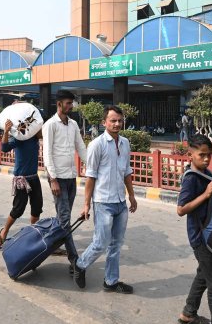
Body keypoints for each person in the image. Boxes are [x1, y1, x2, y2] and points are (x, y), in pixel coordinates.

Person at [73, 105, 138, 294]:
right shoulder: (97, 145)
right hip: (103, 202)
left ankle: (111, 281)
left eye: (119, 120)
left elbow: (126, 171)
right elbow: (90, 176)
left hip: (120, 202)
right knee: (101, 243)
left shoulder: (125, 143)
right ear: (104, 123)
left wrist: (131, 196)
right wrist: (86, 205)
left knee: (116, 244)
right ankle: (80, 264)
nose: (117, 123)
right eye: (113, 120)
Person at [176, 134, 212, 324]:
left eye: (209, 155)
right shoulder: (191, 179)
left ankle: (188, 313)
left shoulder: (207, 174)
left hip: (211, 235)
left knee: (203, 275)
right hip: (200, 237)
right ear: (190, 154)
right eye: (201, 155)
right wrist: (205, 194)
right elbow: (181, 209)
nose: (205, 159)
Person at [41, 89, 87, 270]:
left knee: (62, 218)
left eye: (72, 103)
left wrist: (91, 167)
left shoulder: (73, 124)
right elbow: (47, 154)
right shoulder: (50, 125)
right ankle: (74, 260)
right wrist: (52, 179)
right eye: (68, 103)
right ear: (59, 104)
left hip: (70, 176)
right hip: (57, 177)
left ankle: (50, 244)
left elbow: (81, 147)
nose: (71, 106)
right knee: (65, 218)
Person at [0, 117, 43, 248]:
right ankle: (4, 231)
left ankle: (33, 234)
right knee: (18, 209)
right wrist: (6, 131)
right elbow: (4, 148)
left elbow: (43, 135)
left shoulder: (35, 138)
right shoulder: (19, 138)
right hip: (21, 179)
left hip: (34, 177)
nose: (40, 130)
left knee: (37, 207)